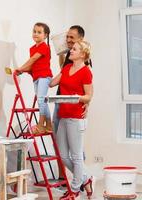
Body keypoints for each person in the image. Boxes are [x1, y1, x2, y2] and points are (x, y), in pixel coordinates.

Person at [49, 40, 93, 199]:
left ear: (83, 54)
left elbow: (88, 96)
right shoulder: (66, 68)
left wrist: (78, 98)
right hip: (64, 116)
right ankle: (86, 178)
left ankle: (74, 190)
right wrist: (39, 72)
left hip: (76, 118)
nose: (71, 51)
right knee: (62, 155)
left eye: (74, 49)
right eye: (71, 49)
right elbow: (52, 83)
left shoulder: (86, 72)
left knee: (76, 156)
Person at [16, 22, 53, 133]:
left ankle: (41, 125)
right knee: (42, 101)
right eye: (34, 31)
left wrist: (21, 68)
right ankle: (49, 125)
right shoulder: (32, 48)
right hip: (36, 77)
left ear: (45, 35)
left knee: (41, 99)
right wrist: (22, 71)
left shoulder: (44, 47)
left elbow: (33, 60)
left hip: (44, 76)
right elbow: (32, 66)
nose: (36, 34)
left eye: (39, 32)